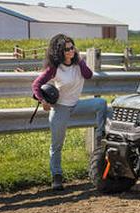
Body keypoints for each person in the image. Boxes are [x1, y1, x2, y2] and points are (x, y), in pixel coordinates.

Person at [32, 34, 107, 190]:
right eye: (67, 49)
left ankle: (101, 136)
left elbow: (89, 75)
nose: (70, 51)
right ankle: (57, 177)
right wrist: (43, 101)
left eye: (72, 47)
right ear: (59, 51)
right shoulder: (54, 68)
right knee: (56, 146)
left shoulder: (78, 64)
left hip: (77, 104)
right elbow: (36, 84)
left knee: (101, 104)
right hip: (60, 108)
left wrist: (79, 59)